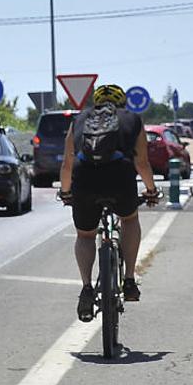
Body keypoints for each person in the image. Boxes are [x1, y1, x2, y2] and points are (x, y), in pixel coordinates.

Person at [58, 84, 159, 322]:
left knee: (85, 235)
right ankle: (130, 281)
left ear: (96, 103)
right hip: (119, 178)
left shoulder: (80, 119)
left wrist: (65, 192)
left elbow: (67, 164)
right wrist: (151, 190)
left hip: (85, 178)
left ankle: (86, 288)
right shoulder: (132, 120)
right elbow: (142, 163)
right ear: (122, 103)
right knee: (129, 219)